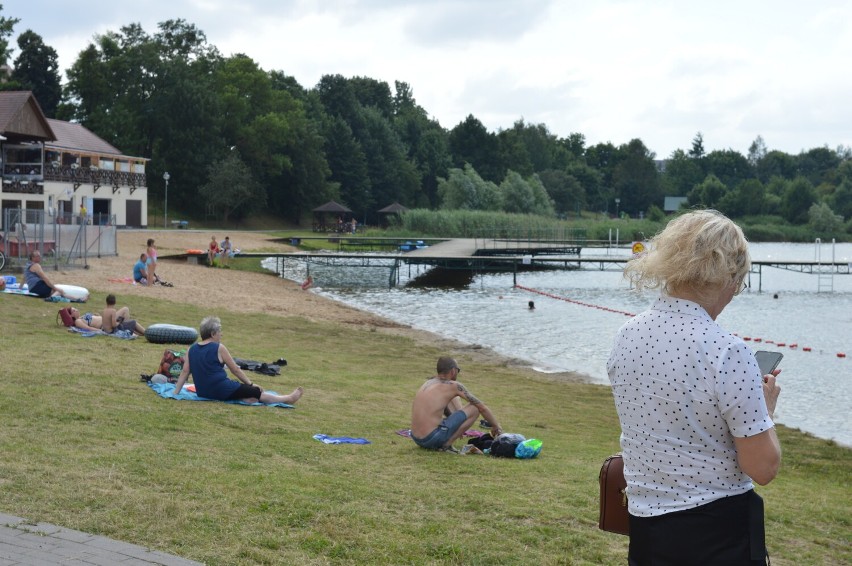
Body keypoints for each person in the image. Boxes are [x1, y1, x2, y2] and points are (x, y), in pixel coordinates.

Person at [607, 210, 781, 565]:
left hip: (645, 528)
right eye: (739, 281)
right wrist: (765, 411)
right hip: (716, 534)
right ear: (728, 277)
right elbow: (763, 467)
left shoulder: (627, 334)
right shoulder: (727, 351)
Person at [172, 316, 304, 405]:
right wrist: (251, 384)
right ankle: (287, 399)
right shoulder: (219, 348)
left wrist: (175, 393)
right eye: (219, 332)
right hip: (220, 389)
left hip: (203, 391)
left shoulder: (192, 349)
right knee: (257, 392)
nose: (221, 334)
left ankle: (246, 398)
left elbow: (185, 372)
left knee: (240, 390)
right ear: (212, 334)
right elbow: (235, 370)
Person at [410, 356, 502, 452]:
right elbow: (481, 407)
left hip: (416, 438)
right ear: (453, 370)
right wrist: (496, 426)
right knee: (474, 408)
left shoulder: (428, 383)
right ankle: (446, 445)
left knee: (455, 399)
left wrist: (455, 424)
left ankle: (443, 441)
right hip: (431, 439)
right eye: (458, 370)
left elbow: (443, 408)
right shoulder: (453, 386)